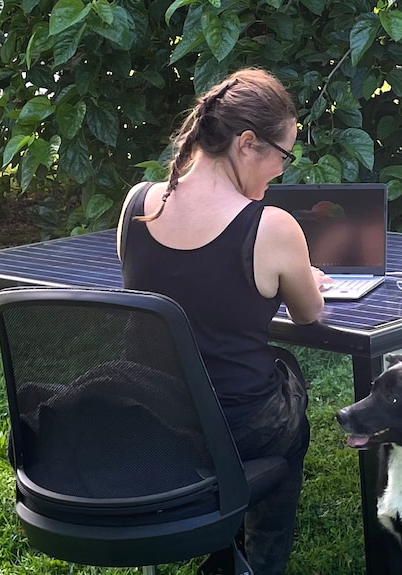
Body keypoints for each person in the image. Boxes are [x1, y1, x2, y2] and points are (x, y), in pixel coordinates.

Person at [116, 68, 332, 575]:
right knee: (290, 392)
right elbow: (309, 314)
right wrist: (307, 278)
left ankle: (224, 551)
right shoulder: (272, 226)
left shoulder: (136, 205)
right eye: (283, 155)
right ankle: (259, 561)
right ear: (248, 143)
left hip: (153, 414)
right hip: (240, 424)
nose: (281, 170)